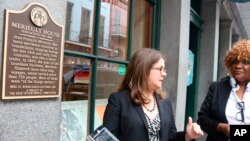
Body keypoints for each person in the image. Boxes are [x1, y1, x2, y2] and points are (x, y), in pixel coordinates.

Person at [103, 48, 203, 141]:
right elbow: (107, 138)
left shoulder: (165, 101)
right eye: (160, 69)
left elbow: (171, 137)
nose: (164, 74)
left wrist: (187, 136)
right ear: (144, 69)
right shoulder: (118, 100)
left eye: (164, 70)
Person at [197, 39, 250, 141]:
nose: (238, 66)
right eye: (234, 61)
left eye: (245, 62)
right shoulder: (217, 87)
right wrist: (221, 127)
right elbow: (202, 119)